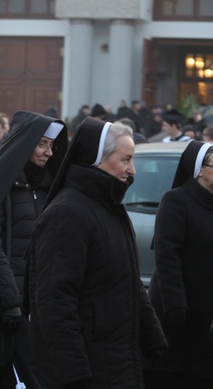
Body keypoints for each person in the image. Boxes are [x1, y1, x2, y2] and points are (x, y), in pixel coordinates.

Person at [27, 117, 166, 388]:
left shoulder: (110, 207)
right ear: (96, 159)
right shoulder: (67, 213)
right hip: (89, 364)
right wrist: (74, 372)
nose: (132, 170)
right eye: (125, 160)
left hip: (115, 356)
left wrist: (152, 337)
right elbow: (54, 300)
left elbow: (129, 278)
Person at [0, 111, 67, 388]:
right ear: (26, 144)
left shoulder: (47, 187)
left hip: (38, 302)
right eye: (42, 144)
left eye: (51, 146)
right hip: (2, 303)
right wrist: (10, 300)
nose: (48, 152)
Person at [145, 141, 213, 388]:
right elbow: (167, 254)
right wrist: (174, 301)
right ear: (199, 170)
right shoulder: (176, 201)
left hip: (211, 307)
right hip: (182, 307)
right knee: (178, 372)